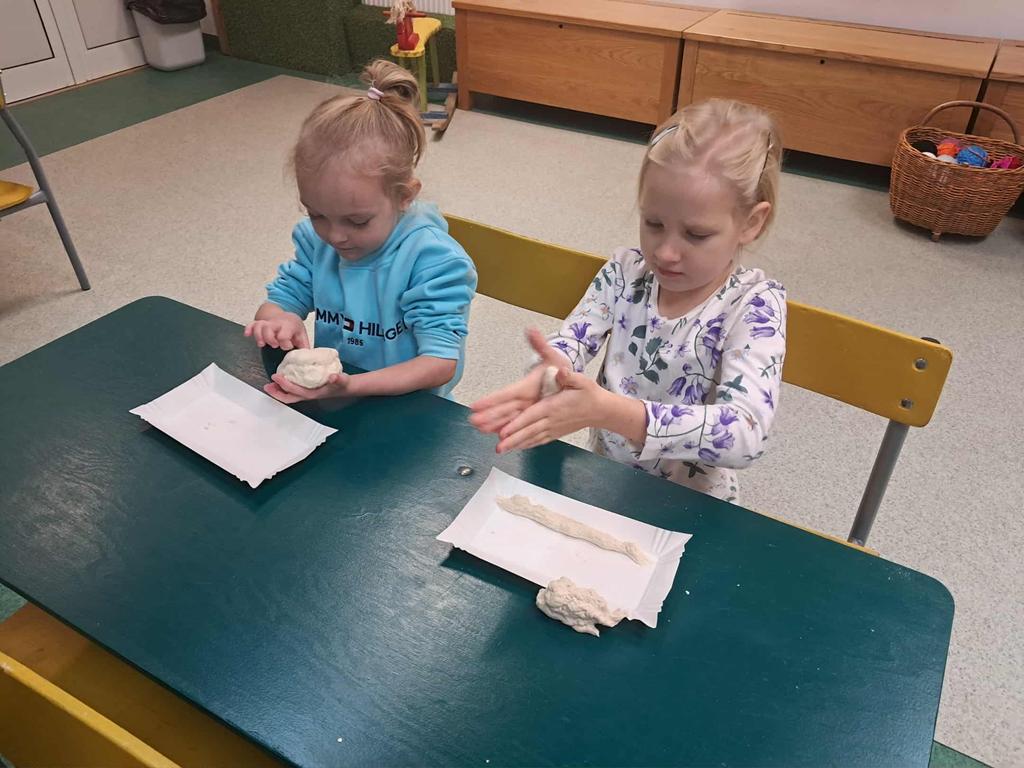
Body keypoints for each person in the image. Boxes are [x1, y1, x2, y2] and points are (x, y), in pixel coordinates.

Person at [470, 99, 786, 503]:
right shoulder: (625, 273)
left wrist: (609, 411)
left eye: (696, 234)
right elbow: (574, 341)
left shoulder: (754, 306)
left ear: (751, 222)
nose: (666, 252)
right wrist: (550, 372)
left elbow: (745, 433)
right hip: (606, 483)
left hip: (693, 506)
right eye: (653, 223)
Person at [245, 59, 476, 401]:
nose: (335, 236)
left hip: (412, 409)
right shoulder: (316, 243)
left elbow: (439, 363)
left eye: (357, 221)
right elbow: (280, 301)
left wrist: (351, 387)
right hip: (337, 401)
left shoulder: (433, 262)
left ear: (404, 196)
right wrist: (278, 321)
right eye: (317, 215)